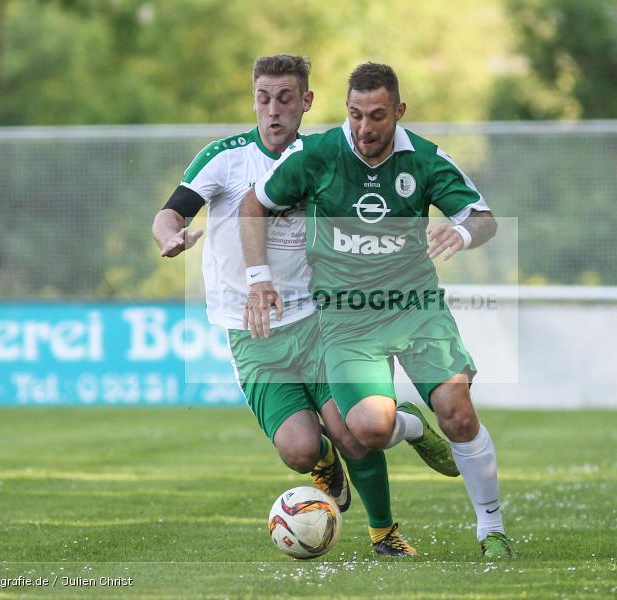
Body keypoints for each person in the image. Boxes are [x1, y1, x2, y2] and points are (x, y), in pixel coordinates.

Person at [152, 55, 439, 556]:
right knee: (300, 448)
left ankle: (384, 532)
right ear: (254, 101)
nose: (273, 109)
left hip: (319, 320)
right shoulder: (225, 157)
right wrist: (171, 236)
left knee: (356, 434)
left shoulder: (326, 155)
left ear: (306, 101)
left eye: (285, 98)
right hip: (254, 333)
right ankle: (324, 463)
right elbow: (170, 212)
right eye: (263, 97)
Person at [240, 62, 514, 559]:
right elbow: (253, 204)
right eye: (355, 115)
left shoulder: (425, 159)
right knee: (369, 429)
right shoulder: (318, 154)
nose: (364, 128)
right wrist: (259, 280)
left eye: (377, 116)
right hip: (346, 319)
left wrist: (463, 231)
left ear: (399, 112)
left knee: (457, 413)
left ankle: (491, 528)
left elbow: (484, 218)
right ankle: (407, 424)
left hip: (416, 309)